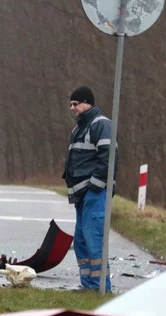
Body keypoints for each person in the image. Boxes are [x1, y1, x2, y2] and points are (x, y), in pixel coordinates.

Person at [62, 86, 118, 292]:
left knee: (94, 240)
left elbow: (109, 158)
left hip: (95, 193)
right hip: (82, 195)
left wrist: (94, 185)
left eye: (75, 104)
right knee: (82, 241)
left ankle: (101, 288)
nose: (72, 108)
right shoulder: (78, 129)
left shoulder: (101, 125)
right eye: (70, 104)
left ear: (87, 103)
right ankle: (88, 286)